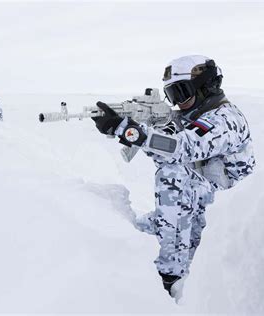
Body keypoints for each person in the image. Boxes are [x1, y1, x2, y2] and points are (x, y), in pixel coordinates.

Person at [92, 55, 255, 302]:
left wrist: (127, 129)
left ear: (205, 86)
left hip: (225, 216)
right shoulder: (192, 117)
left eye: (182, 92)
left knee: (172, 174)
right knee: (133, 232)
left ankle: (172, 276)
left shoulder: (225, 119)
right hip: (199, 207)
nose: (179, 103)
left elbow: (182, 148)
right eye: (172, 95)